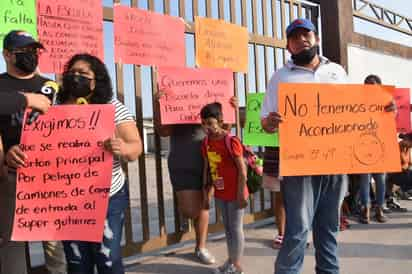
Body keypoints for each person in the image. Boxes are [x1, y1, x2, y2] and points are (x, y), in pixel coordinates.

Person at [261, 18, 348, 274]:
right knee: (297, 231)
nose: (302, 40)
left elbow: (356, 110)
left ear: (316, 38)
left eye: (306, 34)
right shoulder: (280, 76)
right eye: (295, 37)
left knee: (329, 228)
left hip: (335, 162)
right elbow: (265, 122)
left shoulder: (337, 72)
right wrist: (270, 121)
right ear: (289, 46)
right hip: (299, 165)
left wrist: (381, 110)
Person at [49, 54, 141, 274]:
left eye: (83, 74)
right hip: (68, 199)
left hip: (107, 196)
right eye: (72, 73)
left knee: (107, 259)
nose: (76, 77)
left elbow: (135, 147)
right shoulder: (54, 107)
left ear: (96, 79)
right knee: (77, 263)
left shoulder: (112, 106)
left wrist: (122, 148)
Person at [0, 30, 62, 274]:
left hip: (50, 180)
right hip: (11, 176)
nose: (31, 55)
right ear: (7, 54)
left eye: (34, 50)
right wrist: (26, 100)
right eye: (23, 51)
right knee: (12, 244)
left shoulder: (51, 86)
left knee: (55, 245)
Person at [154, 92, 237, 265]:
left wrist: (231, 110)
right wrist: (158, 105)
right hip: (183, 162)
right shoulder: (175, 100)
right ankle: (185, 215)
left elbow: (224, 131)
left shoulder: (211, 100)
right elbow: (163, 131)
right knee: (190, 211)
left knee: (204, 205)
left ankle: (201, 247)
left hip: (210, 162)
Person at [200, 102, 248, 274]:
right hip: (220, 192)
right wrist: (207, 194)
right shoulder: (205, 143)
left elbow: (242, 170)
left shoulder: (231, 141)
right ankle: (231, 261)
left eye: (211, 123)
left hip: (236, 192)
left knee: (236, 228)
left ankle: (237, 266)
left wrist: (241, 194)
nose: (208, 128)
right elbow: (207, 169)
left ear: (220, 121)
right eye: (204, 124)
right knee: (228, 228)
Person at [357, 74, 387, 224]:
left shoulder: (387, 102)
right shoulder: (358, 103)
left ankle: (379, 208)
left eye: (373, 86)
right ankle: (366, 208)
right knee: (365, 179)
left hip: (380, 146)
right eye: (367, 85)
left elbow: (393, 120)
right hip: (362, 145)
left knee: (380, 179)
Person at [261, 147, 285, 249]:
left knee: (299, 198)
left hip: (298, 153)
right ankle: (281, 234)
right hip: (274, 155)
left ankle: (297, 233)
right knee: (279, 197)